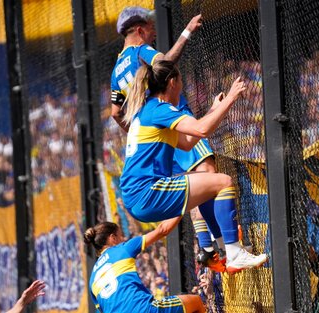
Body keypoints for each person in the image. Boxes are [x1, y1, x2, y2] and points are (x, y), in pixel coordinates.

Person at [110, 6, 230, 272]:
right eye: (151, 29)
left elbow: (116, 112)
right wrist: (187, 31)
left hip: (153, 137)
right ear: (140, 30)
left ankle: (209, 248)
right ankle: (222, 246)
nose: (153, 34)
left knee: (192, 185)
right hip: (170, 117)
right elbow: (165, 64)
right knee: (207, 171)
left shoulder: (117, 69)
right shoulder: (140, 51)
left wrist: (139, 136)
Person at [120, 59, 268, 273]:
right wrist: (231, 98)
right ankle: (234, 252)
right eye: (181, 81)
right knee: (224, 182)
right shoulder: (159, 109)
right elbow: (202, 130)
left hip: (137, 196)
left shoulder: (147, 111)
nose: (182, 87)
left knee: (208, 188)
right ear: (172, 82)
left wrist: (213, 109)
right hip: (146, 193)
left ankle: (225, 248)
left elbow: (188, 143)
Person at [84, 216, 206, 313]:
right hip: (144, 309)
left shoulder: (92, 282)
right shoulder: (123, 249)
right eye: (121, 236)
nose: (123, 239)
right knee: (196, 302)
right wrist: (183, 203)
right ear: (112, 238)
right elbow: (163, 230)